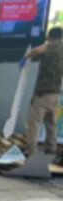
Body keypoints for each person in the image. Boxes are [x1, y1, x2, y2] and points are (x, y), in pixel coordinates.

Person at [25, 26, 63, 157]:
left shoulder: (52, 46)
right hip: (56, 92)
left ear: (50, 36)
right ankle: (51, 148)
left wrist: (27, 56)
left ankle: (31, 151)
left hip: (43, 92)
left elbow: (36, 50)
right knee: (50, 122)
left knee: (34, 122)